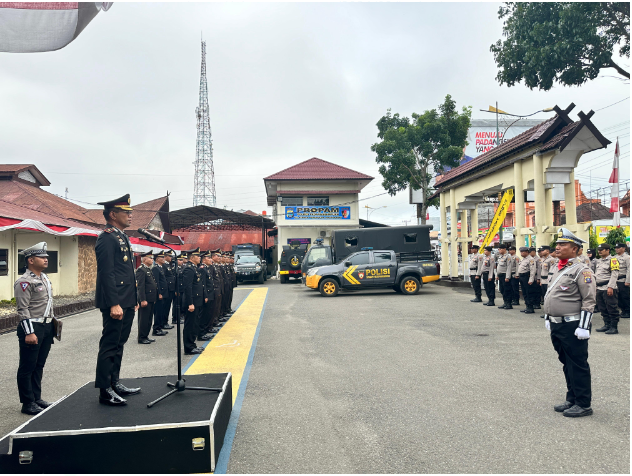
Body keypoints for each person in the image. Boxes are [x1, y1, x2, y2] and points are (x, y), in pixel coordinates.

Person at [543, 227, 596, 418]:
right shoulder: (560, 268)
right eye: (557, 244)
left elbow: (589, 300)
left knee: (578, 363)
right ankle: (572, 398)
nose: (557, 247)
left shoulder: (582, 270)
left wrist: (584, 326)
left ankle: (583, 403)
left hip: (573, 325)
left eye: (562, 244)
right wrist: (549, 317)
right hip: (558, 324)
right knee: (566, 363)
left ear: (575, 249)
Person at [94, 194, 140, 406]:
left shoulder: (121, 236)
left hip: (127, 300)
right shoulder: (106, 237)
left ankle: (114, 382)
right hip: (116, 302)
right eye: (126, 212)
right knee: (110, 345)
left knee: (119, 344)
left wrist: (134, 299)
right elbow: (107, 273)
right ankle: (105, 390)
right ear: (113, 214)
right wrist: (114, 303)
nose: (130, 215)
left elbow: (128, 272)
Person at [14, 242, 56, 415]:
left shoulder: (44, 278)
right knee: (27, 366)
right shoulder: (24, 282)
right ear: (31, 260)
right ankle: (27, 402)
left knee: (39, 365)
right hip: (32, 327)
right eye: (42, 257)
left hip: (46, 326)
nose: (46, 259)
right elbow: (22, 309)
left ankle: (36, 398)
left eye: (46, 257)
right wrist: (29, 332)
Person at [182, 248, 206, 355]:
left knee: (194, 324)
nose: (200, 258)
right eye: (198, 256)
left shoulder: (194, 268)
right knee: (190, 325)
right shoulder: (188, 269)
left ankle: (192, 345)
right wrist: (190, 303)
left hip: (197, 301)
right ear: (192, 258)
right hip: (192, 302)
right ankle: (189, 347)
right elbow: (188, 288)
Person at [594, 243, 621, 335]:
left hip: (608, 287)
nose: (600, 251)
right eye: (599, 250)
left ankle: (614, 327)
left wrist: (611, 287)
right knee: (602, 307)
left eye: (602, 249)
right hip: (599, 287)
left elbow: (614, 274)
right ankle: (607, 324)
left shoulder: (613, 260)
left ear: (608, 250)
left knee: (611, 307)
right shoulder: (599, 261)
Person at [135, 251, 157, 345]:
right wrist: (142, 299)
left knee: (149, 319)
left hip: (151, 298)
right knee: (144, 319)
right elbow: (141, 286)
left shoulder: (148, 269)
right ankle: (142, 337)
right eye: (150, 258)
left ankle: (146, 335)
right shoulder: (141, 270)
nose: (152, 260)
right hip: (146, 299)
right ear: (144, 259)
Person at [197, 251, 216, 342]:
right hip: (207, 295)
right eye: (209, 258)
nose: (210, 260)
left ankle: (205, 330)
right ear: (204, 260)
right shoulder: (202, 268)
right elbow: (203, 283)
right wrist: (205, 295)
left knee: (208, 313)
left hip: (210, 294)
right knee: (203, 315)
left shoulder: (207, 268)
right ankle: (201, 333)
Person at [151, 251, 169, 337]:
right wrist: (159, 293)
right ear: (157, 259)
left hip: (164, 293)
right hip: (160, 294)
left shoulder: (160, 267)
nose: (164, 259)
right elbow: (156, 282)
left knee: (161, 311)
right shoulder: (155, 268)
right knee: (158, 312)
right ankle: (156, 329)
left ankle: (160, 327)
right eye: (162, 258)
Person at [518, 246, 536, 313]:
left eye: (523, 252)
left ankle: (530, 307)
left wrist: (531, 279)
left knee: (529, 292)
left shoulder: (530, 259)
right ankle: (527, 306)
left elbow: (532, 270)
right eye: (521, 252)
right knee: (524, 292)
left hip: (527, 277)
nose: (521, 253)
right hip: (522, 277)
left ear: (527, 252)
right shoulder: (523, 259)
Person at [539, 246, 555, 318]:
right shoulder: (543, 259)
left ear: (548, 251)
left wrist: (550, 281)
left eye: (543, 250)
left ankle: (550, 312)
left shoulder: (551, 260)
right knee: (544, 297)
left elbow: (551, 272)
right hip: (543, 280)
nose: (541, 252)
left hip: (548, 281)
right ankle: (546, 312)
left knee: (549, 297)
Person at [495, 244, 514, 310]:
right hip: (500, 275)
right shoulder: (500, 257)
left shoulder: (508, 256)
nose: (499, 250)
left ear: (504, 249)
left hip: (505, 275)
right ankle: (505, 302)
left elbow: (509, 267)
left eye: (500, 249)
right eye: (499, 249)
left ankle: (509, 303)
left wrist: (507, 277)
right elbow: (498, 267)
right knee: (502, 289)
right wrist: (497, 275)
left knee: (507, 290)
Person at [614, 243, 630, 319]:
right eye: (616, 248)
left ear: (623, 248)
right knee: (619, 297)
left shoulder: (627, 257)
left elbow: (629, 269)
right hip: (616, 280)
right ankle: (623, 311)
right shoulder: (614, 257)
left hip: (623, 280)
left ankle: (628, 311)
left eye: (618, 248)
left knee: (625, 297)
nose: (616, 249)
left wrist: (628, 281)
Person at [163, 251, 178, 325]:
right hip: (167, 289)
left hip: (171, 289)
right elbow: (164, 278)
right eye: (169, 256)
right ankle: (164, 322)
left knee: (168, 307)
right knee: (165, 307)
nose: (171, 258)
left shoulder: (168, 265)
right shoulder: (164, 265)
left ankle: (165, 322)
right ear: (165, 256)